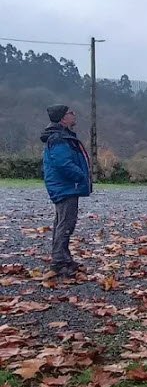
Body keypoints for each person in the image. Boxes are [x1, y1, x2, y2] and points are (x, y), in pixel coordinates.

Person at [40, 105, 92, 276]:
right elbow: (63, 163)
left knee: (62, 223)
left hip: (64, 186)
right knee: (65, 224)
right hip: (65, 186)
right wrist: (81, 175)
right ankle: (59, 262)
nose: (74, 115)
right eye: (70, 113)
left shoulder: (59, 136)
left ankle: (64, 258)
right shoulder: (59, 138)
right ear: (63, 118)